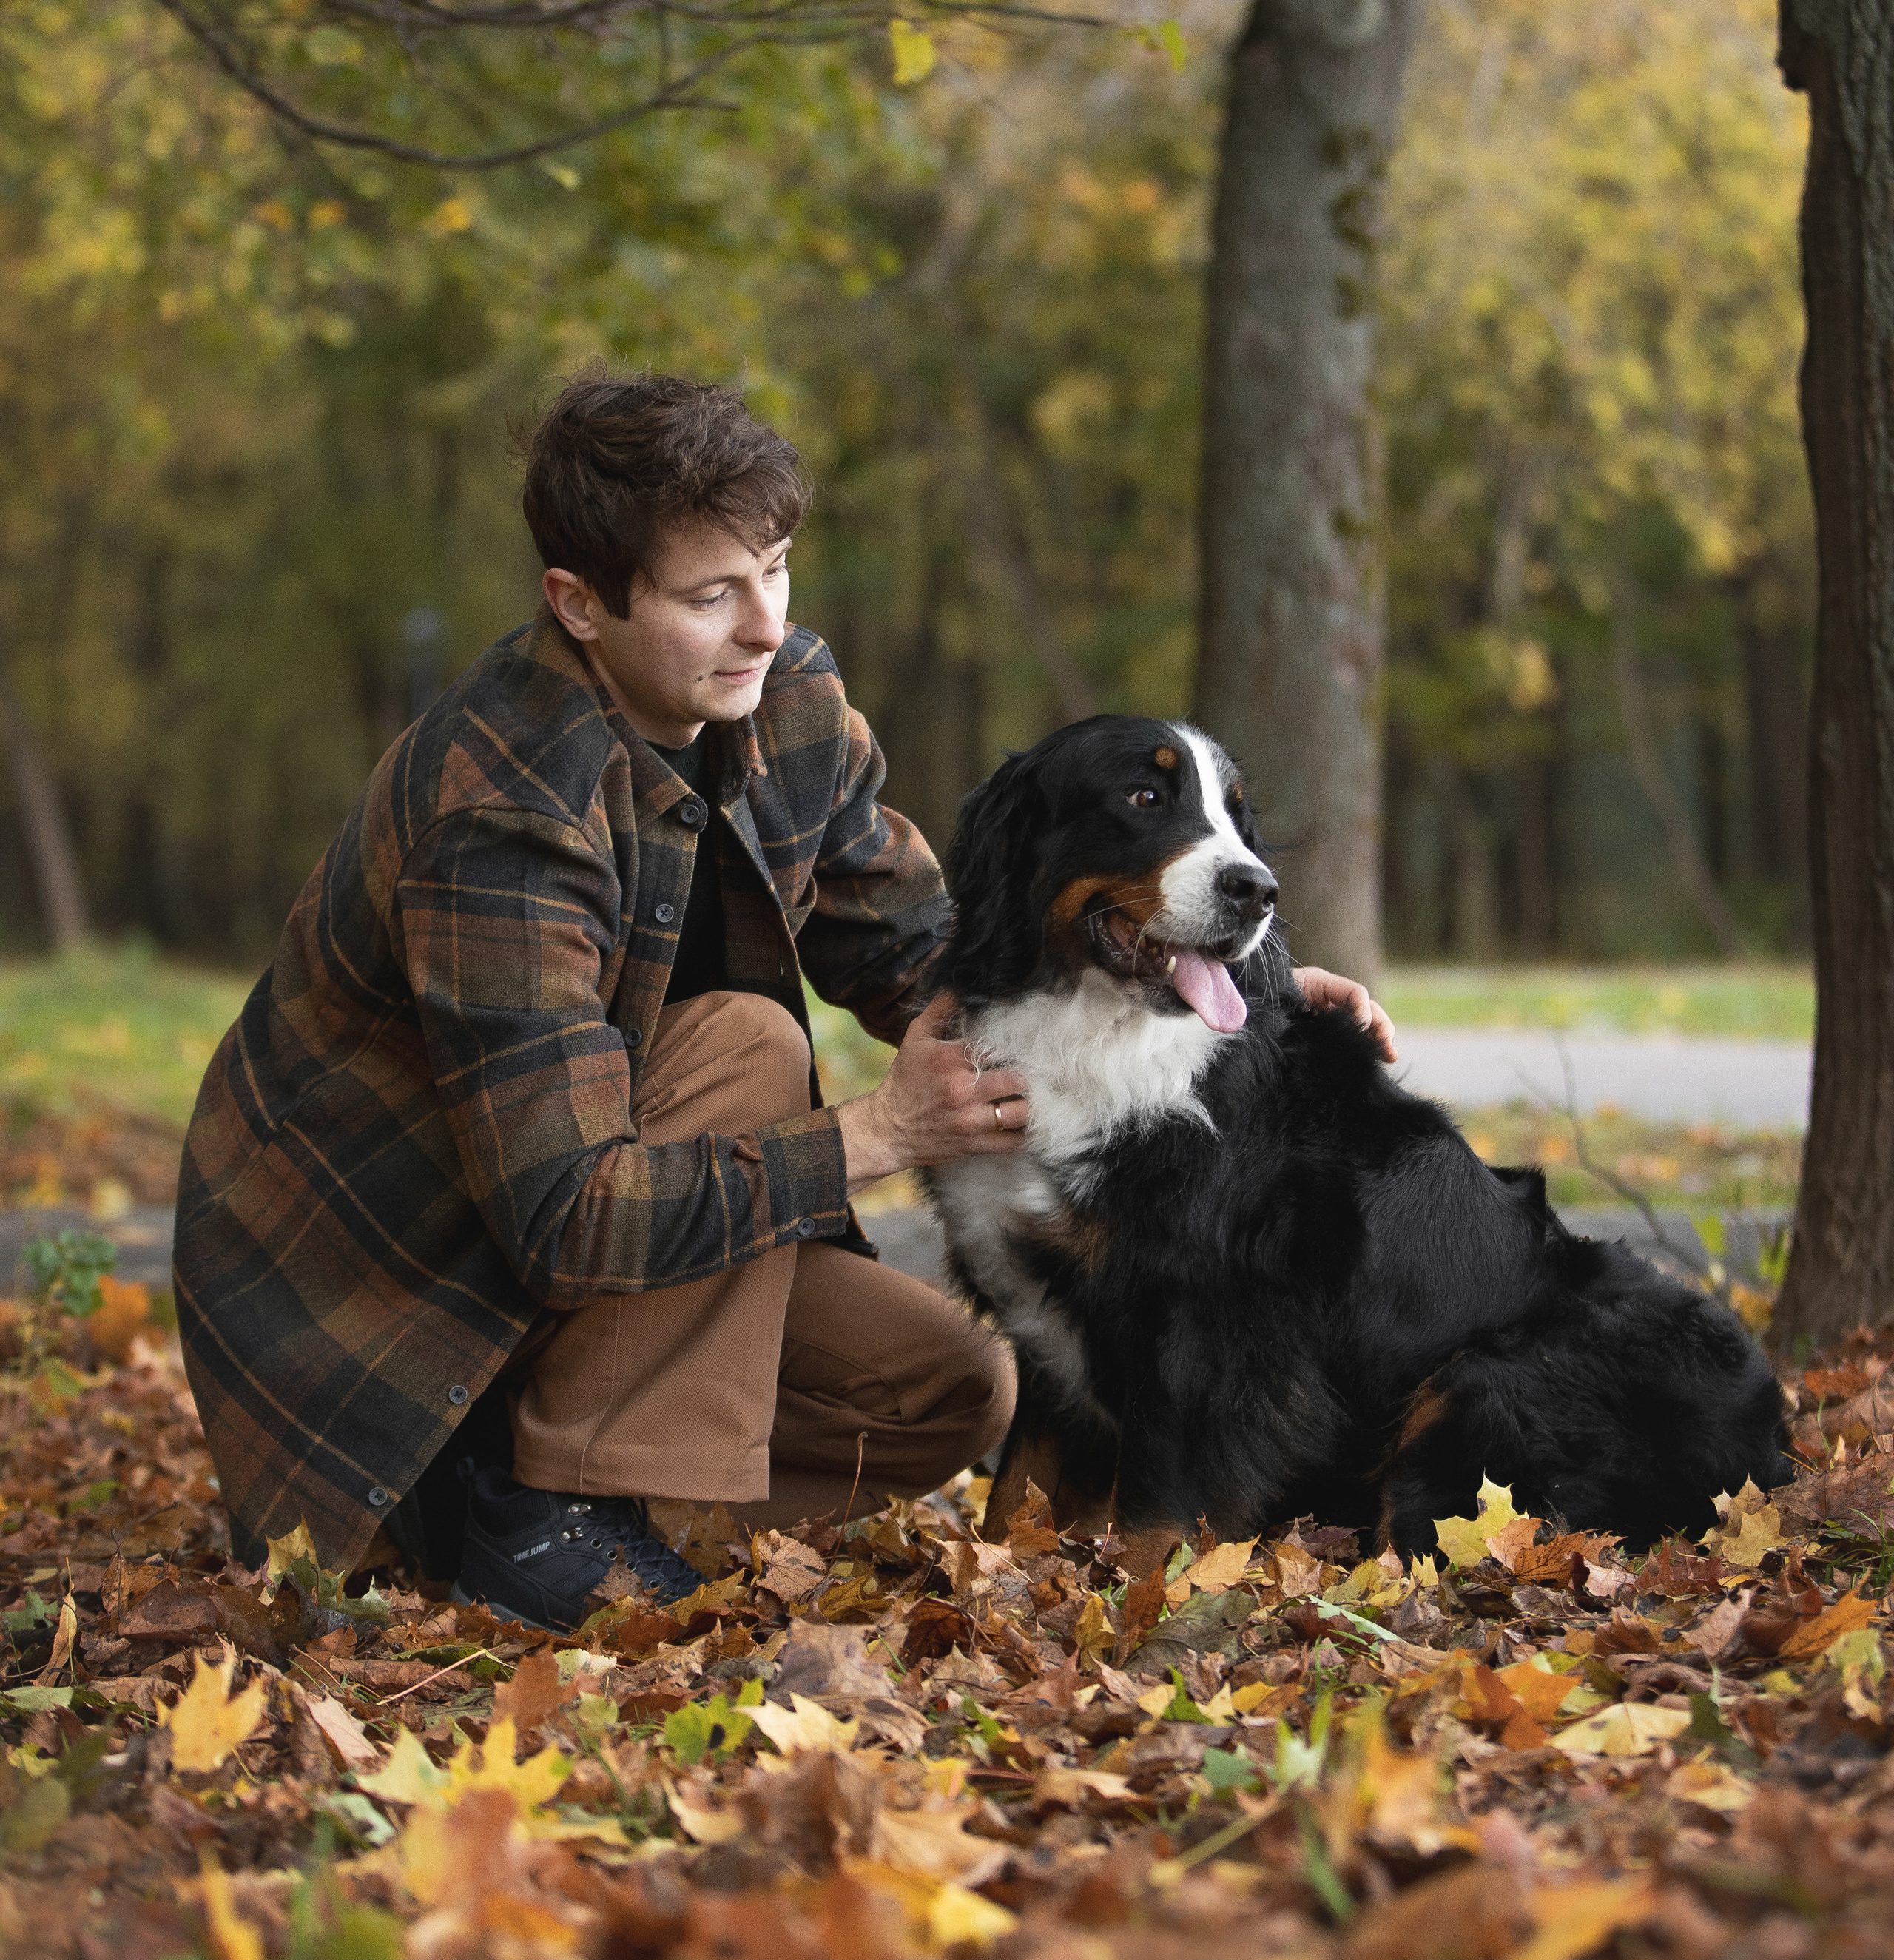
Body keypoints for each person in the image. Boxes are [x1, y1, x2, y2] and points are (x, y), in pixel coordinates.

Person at [173, 372, 1395, 1632]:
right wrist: (878, 1138)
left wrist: (1194, 972)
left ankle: (557, 1508)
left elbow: (919, 946)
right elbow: (563, 1218)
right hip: (386, 1310)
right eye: (712, 595)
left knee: (945, 1391)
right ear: (579, 605)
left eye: (777, 569)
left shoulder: (784, 697)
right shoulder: (505, 816)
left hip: (583, 1265)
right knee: (745, 1044)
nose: (764, 624)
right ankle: (539, 1515)